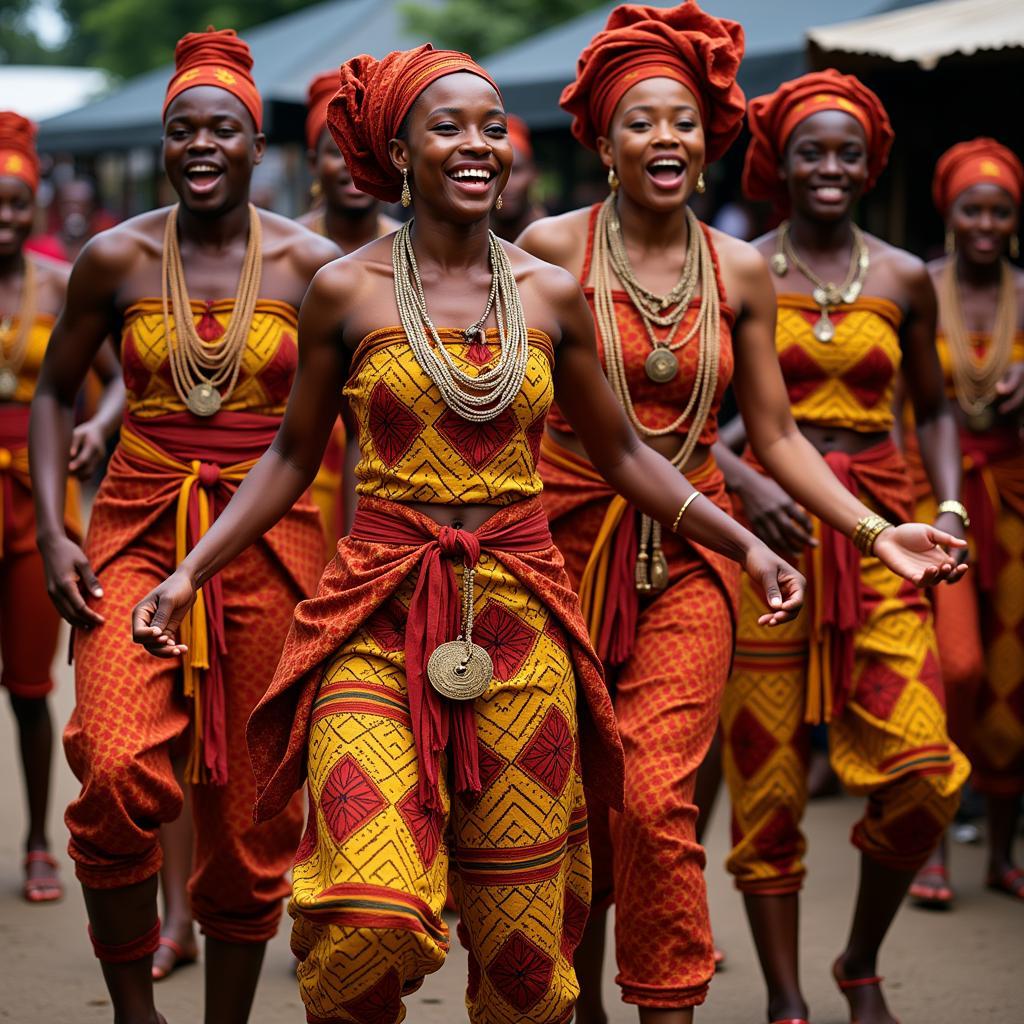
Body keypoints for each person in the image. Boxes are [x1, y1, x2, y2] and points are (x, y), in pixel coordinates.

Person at [129, 42, 808, 1024]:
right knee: (365, 910)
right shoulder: (346, 289)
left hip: (521, 623)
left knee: (524, 957)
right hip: (375, 608)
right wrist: (189, 571)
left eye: (491, 125)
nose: (477, 142)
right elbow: (285, 458)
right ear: (399, 152)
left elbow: (622, 454)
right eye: (448, 125)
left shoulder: (546, 293)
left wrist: (743, 541)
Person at [515, 9, 969, 1023]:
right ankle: (579, 1002)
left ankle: (666, 1004)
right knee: (576, 799)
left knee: (654, 787)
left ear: (708, 139)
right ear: (600, 141)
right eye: (639, 122)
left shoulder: (741, 270)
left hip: (696, 553)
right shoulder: (546, 249)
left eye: (683, 120)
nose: (664, 139)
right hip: (560, 549)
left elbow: (775, 437)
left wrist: (873, 530)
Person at [29, 29, 338, 1024]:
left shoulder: (313, 266)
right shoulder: (114, 257)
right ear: (164, 146)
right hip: (132, 531)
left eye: (223, 129)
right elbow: (54, 393)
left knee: (254, 816)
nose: (200, 144)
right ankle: (133, 1009)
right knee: (115, 766)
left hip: (273, 549)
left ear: (258, 146)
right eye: (181, 129)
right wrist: (54, 529)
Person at [716, 70, 972, 1024]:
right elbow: (695, 418)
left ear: (872, 167)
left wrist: (948, 507)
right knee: (768, 781)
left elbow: (935, 412)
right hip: (773, 546)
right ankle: (788, 1000)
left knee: (923, 773)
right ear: (779, 162)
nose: (829, 166)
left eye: (848, 152)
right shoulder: (738, 265)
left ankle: (858, 959)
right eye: (810, 150)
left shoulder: (905, 276)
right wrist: (745, 490)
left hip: (885, 542)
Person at [0, 111, 122, 904]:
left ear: (35, 205)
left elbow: (119, 378)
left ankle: (41, 840)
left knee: (32, 687)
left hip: (29, 504)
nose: (3, 218)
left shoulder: (60, 280)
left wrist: (97, 425)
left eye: (15, 202)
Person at [905, 139, 1024, 909]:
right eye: (971, 208)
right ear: (948, 214)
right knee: (954, 669)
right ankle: (930, 849)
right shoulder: (921, 287)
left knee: (1013, 684)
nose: (985, 222)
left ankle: (1001, 857)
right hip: (936, 503)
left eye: (1000, 210)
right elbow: (905, 404)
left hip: (1015, 503)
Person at [299, 69, 398, 553]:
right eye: (334, 151)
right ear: (312, 164)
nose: (349, 164)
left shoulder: (413, 254)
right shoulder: (289, 254)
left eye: (362, 150)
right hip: (304, 454)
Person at [490, 115, 545, 241]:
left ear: (534, 174)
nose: (506, 183)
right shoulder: (471, 246)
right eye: (495, 171)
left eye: (515, 170)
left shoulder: (556, 239)